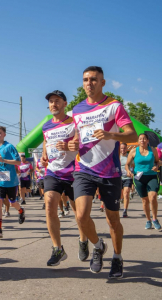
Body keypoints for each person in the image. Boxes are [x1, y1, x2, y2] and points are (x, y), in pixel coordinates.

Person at [68, 66, 137, 279]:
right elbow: (76, 138)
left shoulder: (114, 106)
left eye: (94, 80)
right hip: (84, 168)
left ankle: (117, 258)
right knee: (81, 215)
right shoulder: (76, 110)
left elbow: (131, 135)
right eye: (86, 80)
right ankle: (97, 246)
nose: (89, 83)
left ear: (103, 82)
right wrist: (72, 144)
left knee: (113, 220)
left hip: (110, 171)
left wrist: (110, 135)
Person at [40, 90, 87, 266]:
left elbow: (80, 143)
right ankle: (57, 249)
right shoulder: (46, 126)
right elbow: (46, 141)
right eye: (51, 101)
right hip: (53, 171)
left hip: (74, 172)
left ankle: (83, 240)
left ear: (65, 104)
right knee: (50, 206)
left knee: (80, 214)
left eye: (57, 101)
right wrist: (44, 154)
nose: (54, 104)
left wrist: (68, 146)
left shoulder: (74, 123)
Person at [0, 126, 25, 238]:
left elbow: (18, 162)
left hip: (11, 181)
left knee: (12, 203)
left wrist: (4, 160)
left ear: (4, 134)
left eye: (0, 133)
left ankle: (20, 211)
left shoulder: (10, 147)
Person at [125, 133, 161, 230]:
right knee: (145, 200)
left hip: (151, 176)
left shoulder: (153, 150)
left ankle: (155, 219)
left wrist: (157, 166)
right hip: (139, 178)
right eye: (140, 139)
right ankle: (148, 220)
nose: (142, 140)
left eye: (144, 139)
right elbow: (127, 164)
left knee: (153, 197)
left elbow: (158, 161)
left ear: (147, 141)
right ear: (138, 141)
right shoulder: (133, 151)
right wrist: (128, 171)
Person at [120, 143, 132, 218]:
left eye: (124, 148)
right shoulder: (117, 157)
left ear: (126, 149)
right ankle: (120, 202)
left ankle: (125, 210)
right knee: (119, 194)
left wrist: (130, 172)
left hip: (127, 178)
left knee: (126, 193)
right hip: (119, 178)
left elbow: (133, 165)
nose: (123, 150)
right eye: (121, 148)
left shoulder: (129, 157)